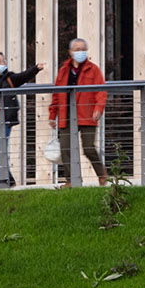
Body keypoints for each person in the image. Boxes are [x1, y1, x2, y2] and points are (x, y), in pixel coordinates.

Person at [0, 52, 43, 187]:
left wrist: (35, 68)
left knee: (1, 148)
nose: (2, 63)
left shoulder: (9, 78)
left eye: (3, 61)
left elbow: (23, 76)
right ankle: (8, 178)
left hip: (5, 119)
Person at [48, 38, 108, 186]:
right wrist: (52, 115)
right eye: (77, 49)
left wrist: (99, 108)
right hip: (66, 115)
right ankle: (71, 180)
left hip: (87, 114)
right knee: (66, 149)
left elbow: (101, 90)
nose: (80, 52)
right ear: (70, 52)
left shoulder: (93, 69)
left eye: (83, 49)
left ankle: (102, 174)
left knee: (88, 147)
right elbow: (56, 94)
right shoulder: (63, 71)